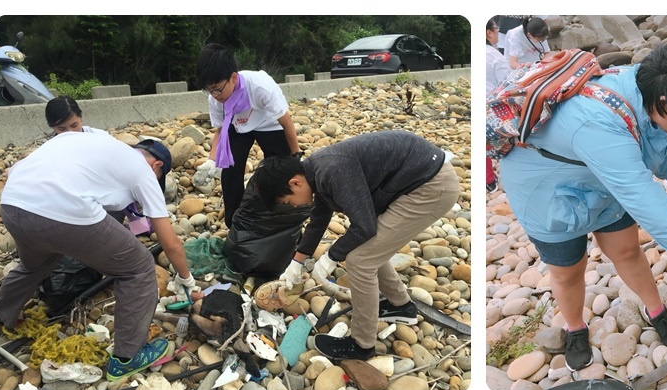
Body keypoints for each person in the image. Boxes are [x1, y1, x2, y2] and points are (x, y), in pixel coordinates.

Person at [497, 39, 667, 372]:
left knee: (627, 251)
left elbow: (657, 149)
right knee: (568, 272)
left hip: (604, 177)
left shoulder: (649, 83)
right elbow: (648, 204)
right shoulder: (597, 123)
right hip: (545, 191)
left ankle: (655, 310)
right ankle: (576, 328)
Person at [0, 133, 200, 381]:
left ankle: (3, 313)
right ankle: (127, 358)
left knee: (35, 264)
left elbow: (11, 172)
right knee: (139, 268)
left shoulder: (90, 142)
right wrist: (186, 279)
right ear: (157, 166)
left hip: (12, 204)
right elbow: (171, 244)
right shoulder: (143, 171)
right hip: (63, 212)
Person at [251, 131, 460, 362]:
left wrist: (331, 257)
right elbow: (319, 218)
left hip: (430, 187)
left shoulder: (333, 169)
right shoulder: (314, 171)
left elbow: (364, 227)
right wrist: (297, 261)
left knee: (360, 260)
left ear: (295, 182)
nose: (293, 206)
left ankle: (362, 345)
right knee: (369, 250)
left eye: (289, 201)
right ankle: (400, 306)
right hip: (417, 181)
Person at [196, 43, 299, 228]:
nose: (214, 95)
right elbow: (221, 130)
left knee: (278, 171)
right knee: (229, 172)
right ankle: (235, 224)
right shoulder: (215, 97)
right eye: (209, 90)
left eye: (217, 89)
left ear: (233, 78)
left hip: (270, 123)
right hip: (237, 125)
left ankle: (280, 220)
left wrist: (296, 156)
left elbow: (286, 123)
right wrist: (211, 160)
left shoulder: (260, 86)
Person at [485, 17, 511, 193]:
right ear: (489, 33)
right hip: (493, 106)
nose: (498, 32)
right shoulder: (494, 55)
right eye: (496, 29)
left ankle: (488, 181)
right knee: (509, 140)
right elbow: (507, 83)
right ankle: (510, 178)